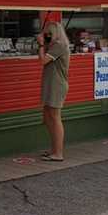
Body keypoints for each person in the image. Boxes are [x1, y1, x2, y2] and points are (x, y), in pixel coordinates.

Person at [37, 21, 70, 161]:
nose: (46, 36)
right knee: (47, 117)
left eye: (48, 34)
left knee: (55, 118)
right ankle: (54, 149)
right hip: (50, 84)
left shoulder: (59, 46)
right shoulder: (54, 46)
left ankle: (58, 153)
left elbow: (43, 61)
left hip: (56, 85)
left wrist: (40, 45)